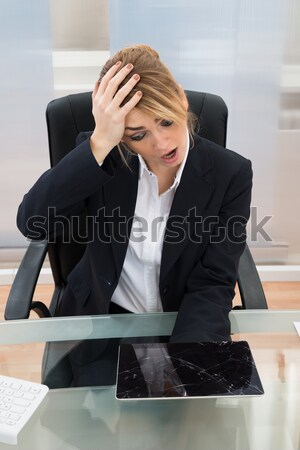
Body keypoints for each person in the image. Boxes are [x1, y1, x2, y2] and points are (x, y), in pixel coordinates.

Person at [17, 44, 252, 386]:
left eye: (167, 121)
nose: (161, 144)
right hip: (103, 324)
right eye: (138, 135)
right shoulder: (105, 157)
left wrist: (188, 366)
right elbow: (32, 221)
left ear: (181, 100)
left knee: (186, 429)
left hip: (185, 322)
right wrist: (99, 143)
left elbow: (213, 281)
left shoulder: (231, 173)